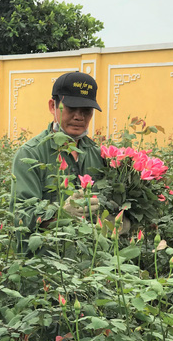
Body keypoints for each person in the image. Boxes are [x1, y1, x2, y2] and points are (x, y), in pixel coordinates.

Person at [11, 71, 114, 251]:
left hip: (90, 264)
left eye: (86, 111)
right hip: (44, 265)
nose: (79, 117)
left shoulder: (99, 155)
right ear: (53, 106)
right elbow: (22, 217)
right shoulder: (31, 155)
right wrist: (61, 214)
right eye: (71, 108)